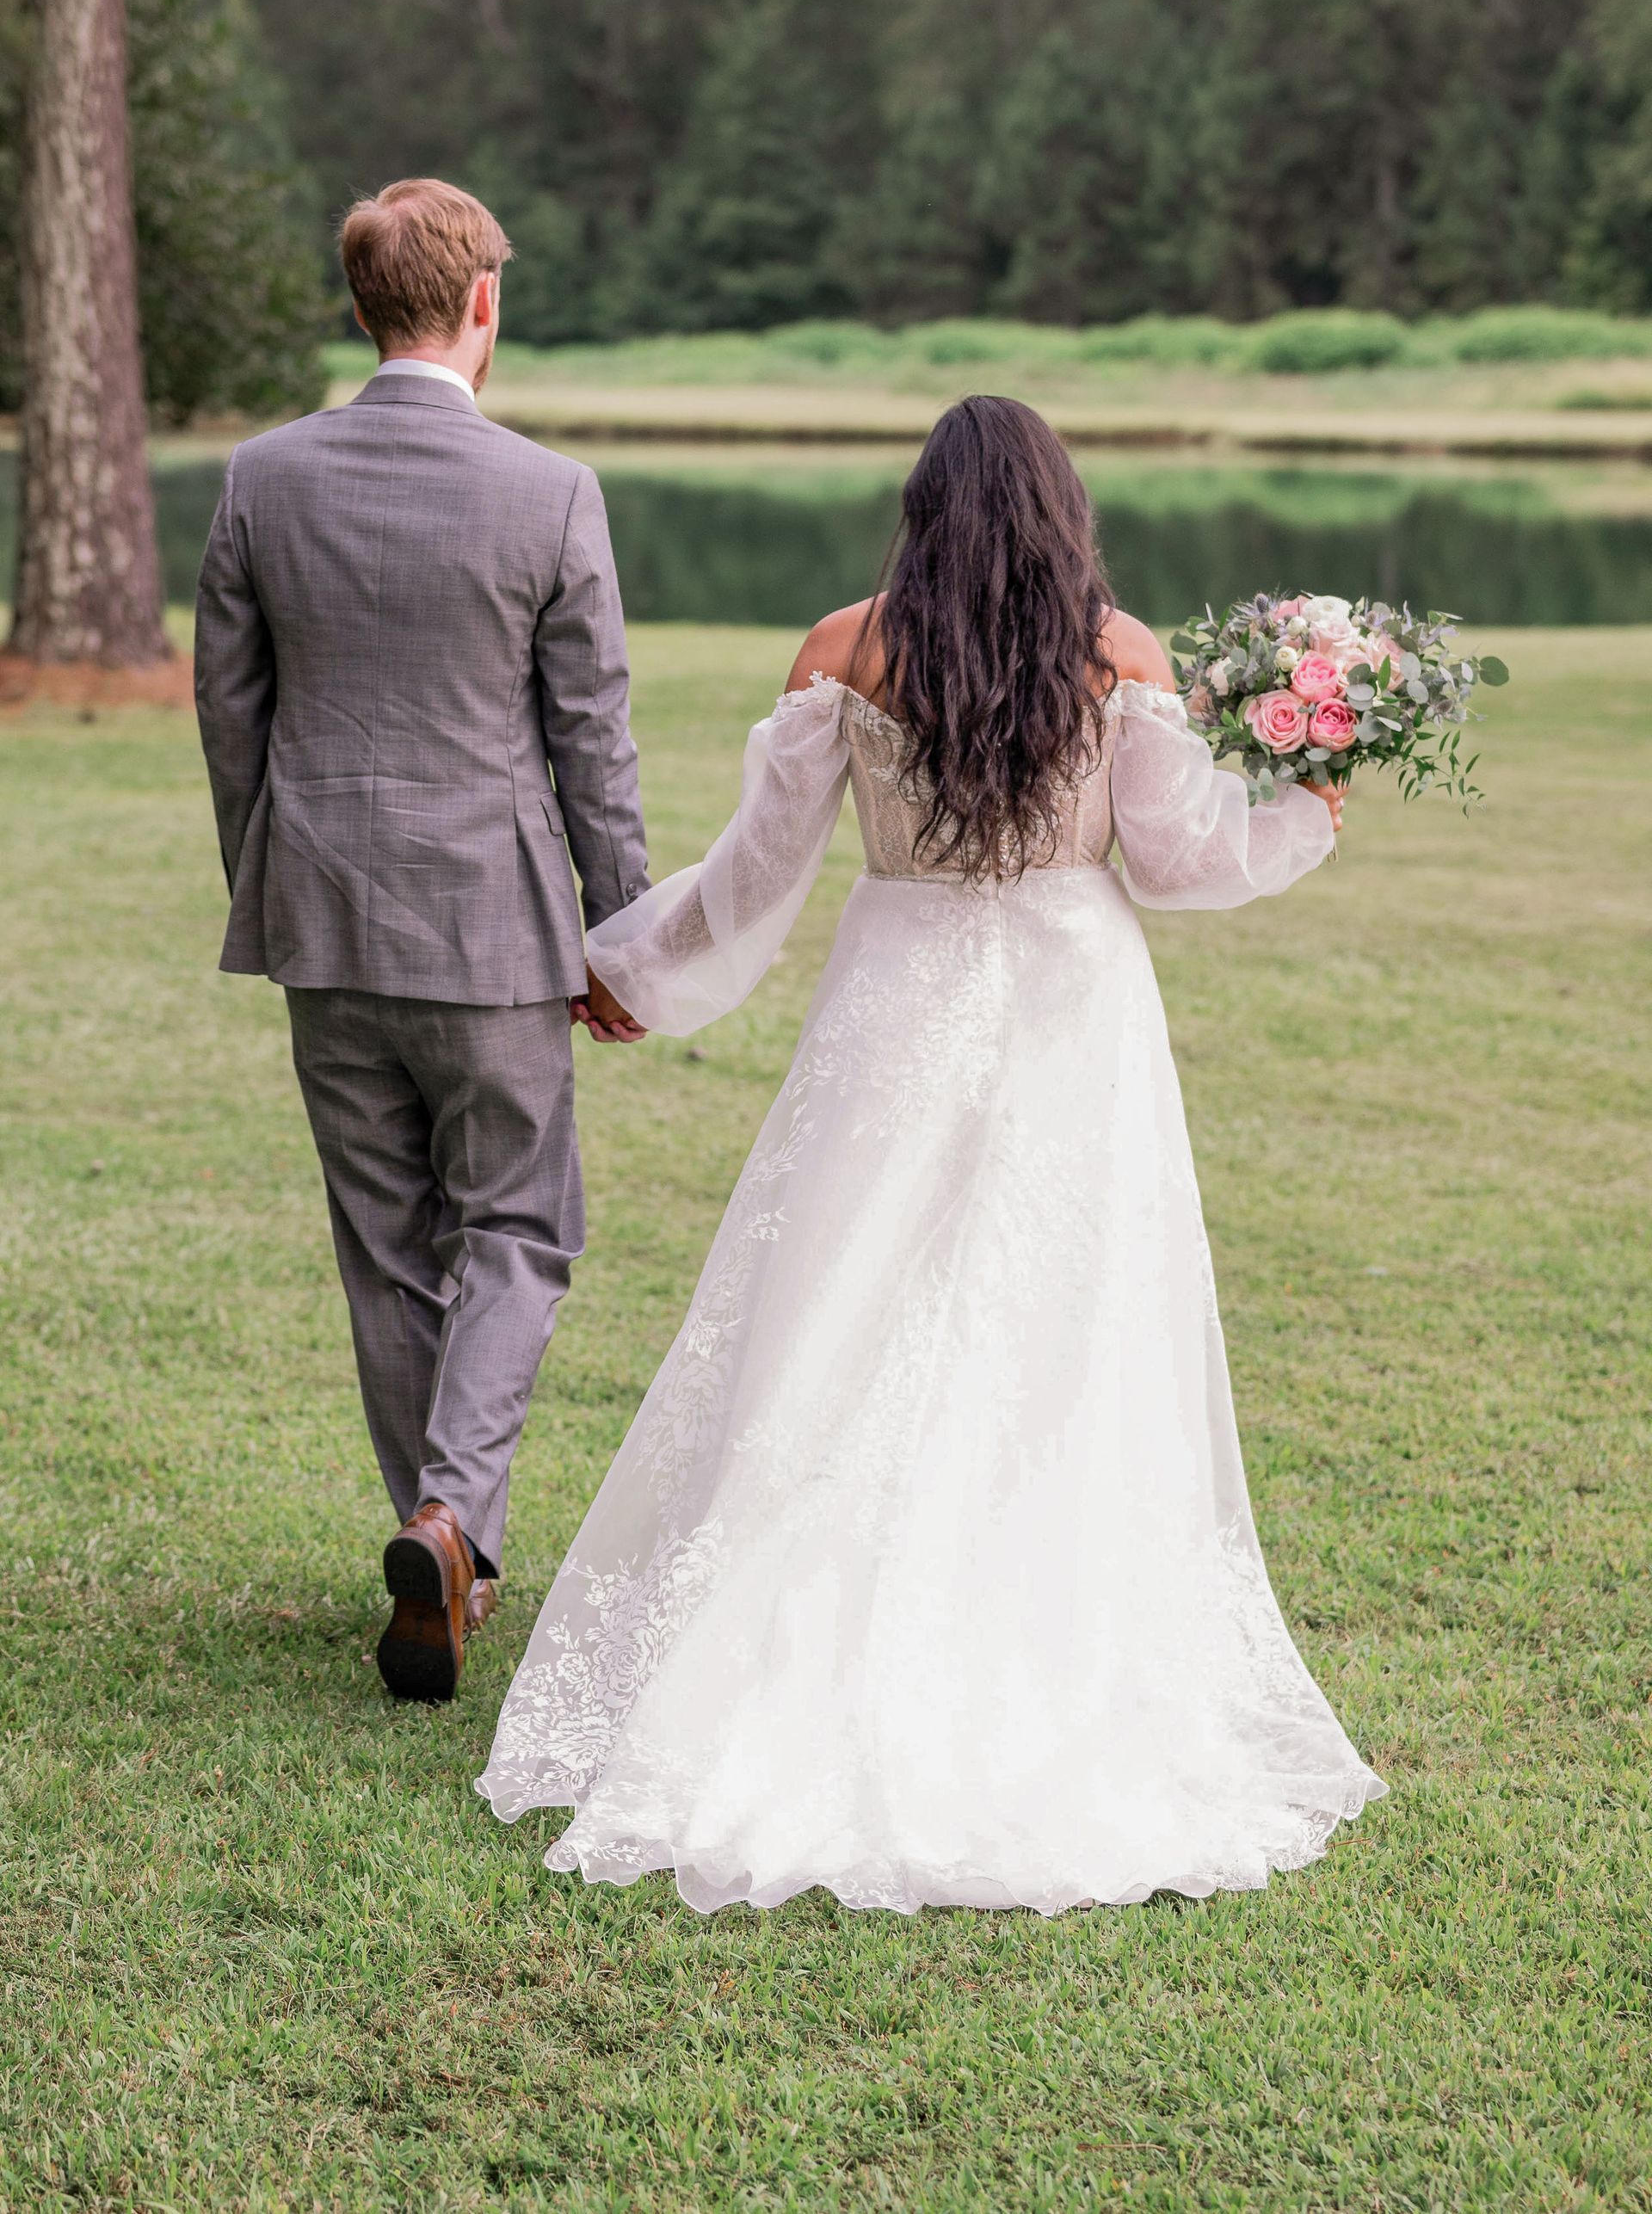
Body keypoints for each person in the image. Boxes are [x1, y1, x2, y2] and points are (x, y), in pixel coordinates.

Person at [477, 394, 1384, 1915]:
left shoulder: (846, 649)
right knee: (1065, 1318)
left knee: (845, 1303)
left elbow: (758, 877)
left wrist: (631, 966)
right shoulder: (1120, 655)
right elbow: (1176, 860)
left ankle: (795, 1636)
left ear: (922, 508)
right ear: (1059, 512)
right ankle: (1048, 1634)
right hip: (1076, 1002)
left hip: (893, 997)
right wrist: (1308, 814)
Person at [194, 178, 649, 1705]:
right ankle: (453, 1520)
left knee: (388, 1248)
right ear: (481, 307)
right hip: (496, 934)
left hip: (326, 922)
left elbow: (228, 710)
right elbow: (591, 736)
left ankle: (436, 1540)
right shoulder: (551, 492)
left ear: (363, 308)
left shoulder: (262, 477)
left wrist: (275, 877)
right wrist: (624, 930)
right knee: (518, 1228)